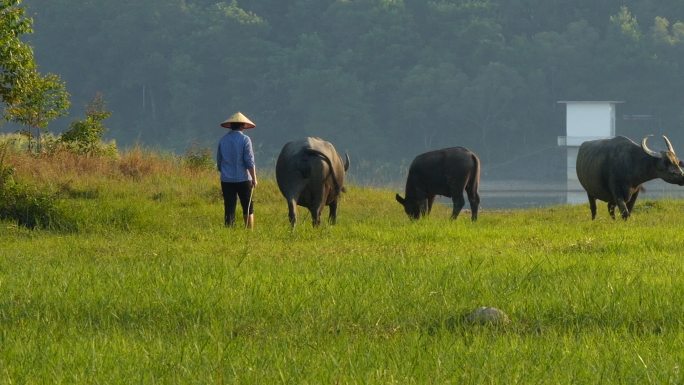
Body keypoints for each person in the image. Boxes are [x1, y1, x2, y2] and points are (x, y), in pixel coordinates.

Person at [216, 111, 257, 228]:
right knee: (248, 206)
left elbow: (219, 161)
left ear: (231, 125)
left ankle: (229, 229)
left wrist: (224, 171)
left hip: (227, 179)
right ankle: (249, 230)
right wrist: (254, 178)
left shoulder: (223, 140)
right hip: (243, 178)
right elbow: (249, 161)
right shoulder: (245, 139)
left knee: (229, 206)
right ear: (243, 125)